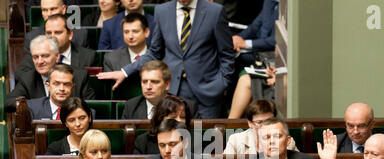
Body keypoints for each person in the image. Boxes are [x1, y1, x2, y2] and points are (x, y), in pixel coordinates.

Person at [97, 0, 235, 119]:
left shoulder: (215, 11)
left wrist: (221, 84)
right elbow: (155, 52)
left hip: (207, 93)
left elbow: (227, 54)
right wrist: (125, 71)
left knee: (203, 144)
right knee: (173, 141)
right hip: (172, 92)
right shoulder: (162, 11)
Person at [6, 36, 95, 109]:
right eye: (35, 57)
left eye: (45, 56)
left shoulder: (79, 76)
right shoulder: (28, 78)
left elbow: (92, 107)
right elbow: (8, 102)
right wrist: (37, 105)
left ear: (57, 56)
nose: (40, 61)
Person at [16, 14, 97, 76]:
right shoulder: (37, 55)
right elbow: (19, 74)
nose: (52, 36)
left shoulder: (88, 57)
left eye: (58, 32)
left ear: (70, 34)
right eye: (48, 33)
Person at [103, 12, 151, 100]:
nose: (130, 36)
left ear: (146, 32)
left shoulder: (159, 54)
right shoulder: (111, 59)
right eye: (126, 32)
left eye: (135, 31)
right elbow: (113, 95)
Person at [224, 99, 298, 154]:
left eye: (269, 121)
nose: (265, 126)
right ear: (250, 123)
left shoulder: (287, 141)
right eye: (259, 122)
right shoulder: (236, 140)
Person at [24, 0, 88, 55]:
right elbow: (27, 68)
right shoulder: (31, 38)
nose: (49, 14)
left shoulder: (81, 36)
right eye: (45, 10)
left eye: (53, 9)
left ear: (63, 9)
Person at [232, 0, 278, 66]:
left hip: (272, 55)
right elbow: (254, 26)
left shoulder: (290, 8)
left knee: (235, 60)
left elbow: (276, 40)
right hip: (257, 49)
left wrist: (245, 43)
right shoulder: (269, 1)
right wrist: (237, 40)